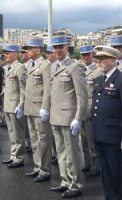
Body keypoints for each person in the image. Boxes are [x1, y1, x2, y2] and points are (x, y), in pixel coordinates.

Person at [49, 36, 88, 198]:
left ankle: (76, 184)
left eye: (61, 47)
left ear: (67, 48)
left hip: (68, 117)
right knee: (60, 151)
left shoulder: (75, 67)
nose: (58, 50)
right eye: (55, 47)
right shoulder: (53, 66)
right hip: (55, 116)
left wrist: (78, 118)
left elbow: (82, 95)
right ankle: (65, 180)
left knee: (72, 152)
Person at [91, 45, 122, 200]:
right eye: (97, 59)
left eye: (102, 59)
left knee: (117, 170)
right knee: (105, 171)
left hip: (114, 135)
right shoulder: (98, 80)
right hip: (99, 133)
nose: (98, 61)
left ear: (113, 60)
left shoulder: (120, 80)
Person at [24, 38, 53, 182]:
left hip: (39, 108)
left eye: (30, 48)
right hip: (29, 107)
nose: (27, 51)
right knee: (34, 139)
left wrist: (45, 107)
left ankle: (45, 169)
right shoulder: (29, 65)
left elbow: (48, 89)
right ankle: (37, 166)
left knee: (43, 140)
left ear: (38, 50)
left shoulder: (46, 65)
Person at [1, 45, 27, 167]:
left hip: (15, 104)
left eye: (8, 53)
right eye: (5, 53)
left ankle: (20, 157)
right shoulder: (7, 68)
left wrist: (21, 105)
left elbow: (23, 88)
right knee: (11, 132)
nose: (6, 55)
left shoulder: (19, 68)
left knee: (18, 133)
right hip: (7, 104)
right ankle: (13, 155)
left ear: (15, 54)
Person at [79, 45, 101, 177]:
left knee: (92, 140)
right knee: (83, 140)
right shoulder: (79, 69)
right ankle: (87, 163)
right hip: (81, 110)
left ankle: (96, 166)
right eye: (83, 55)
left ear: (93, 55)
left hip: (91, 109)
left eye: (88, 55)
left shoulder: (98, 71)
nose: (86, 57)